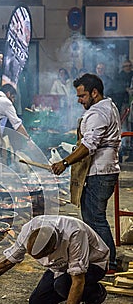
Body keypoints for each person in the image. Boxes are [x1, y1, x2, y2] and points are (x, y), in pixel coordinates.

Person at [51, 73, 121, 273]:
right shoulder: (109, 105)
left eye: (82, 96)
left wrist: (65, 162)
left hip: (100, 172)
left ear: (94, 92)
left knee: (95, 219)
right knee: (92, 217)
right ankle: (102, 259)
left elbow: (89, 145)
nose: (79, 100)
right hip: (105, 170)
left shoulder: (97, 113)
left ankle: (108, 263)